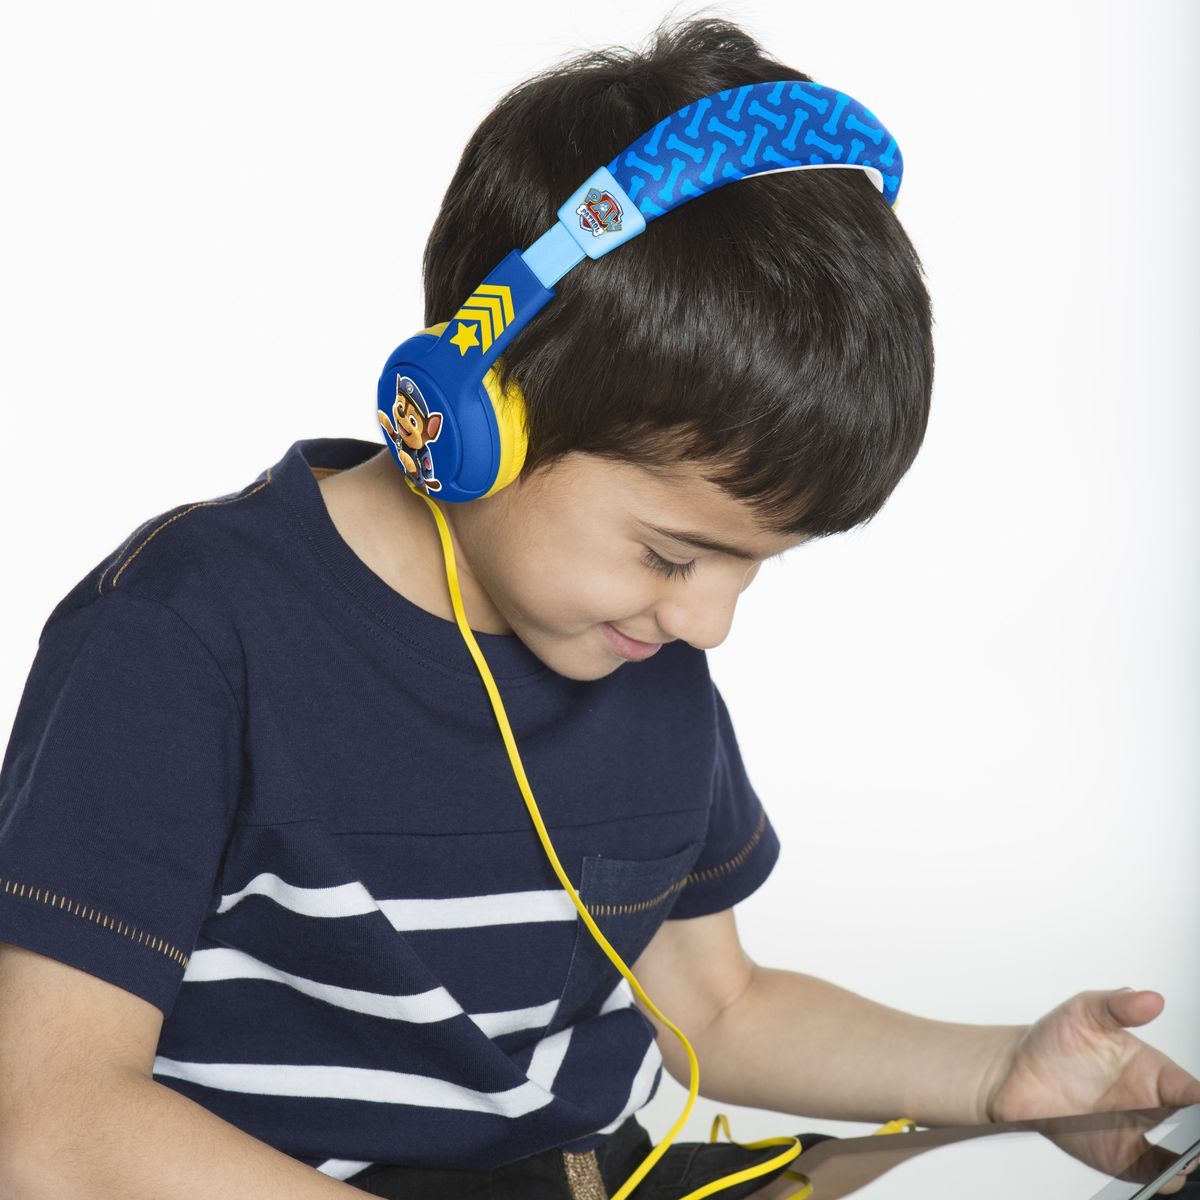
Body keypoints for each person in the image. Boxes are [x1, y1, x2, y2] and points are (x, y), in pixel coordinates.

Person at [0, 15, 1196, 1200]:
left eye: (755, 567)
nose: (711, 624)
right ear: (475, 415)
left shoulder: (634, 651)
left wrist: (999, 1076)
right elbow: (52, 1123)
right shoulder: (184, 634)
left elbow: (716, 1008)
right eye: (675, 554)